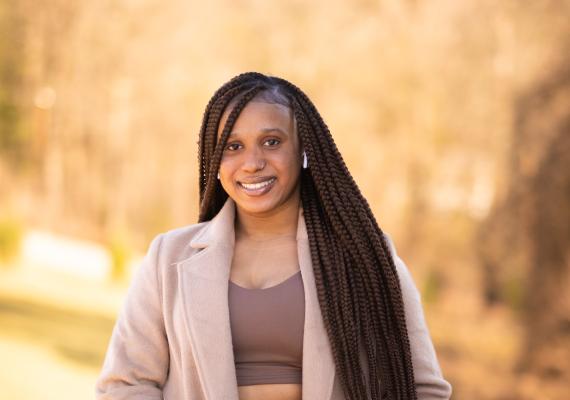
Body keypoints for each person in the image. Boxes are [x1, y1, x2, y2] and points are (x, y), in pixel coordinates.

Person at [95, 72, 453, 400]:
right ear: (215, 160)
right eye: (233, 147)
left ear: (303, 151)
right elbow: (125, 383)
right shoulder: (168, 258)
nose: (252, 163)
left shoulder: (362, 254)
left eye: (271, 141)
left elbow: (423, 389)